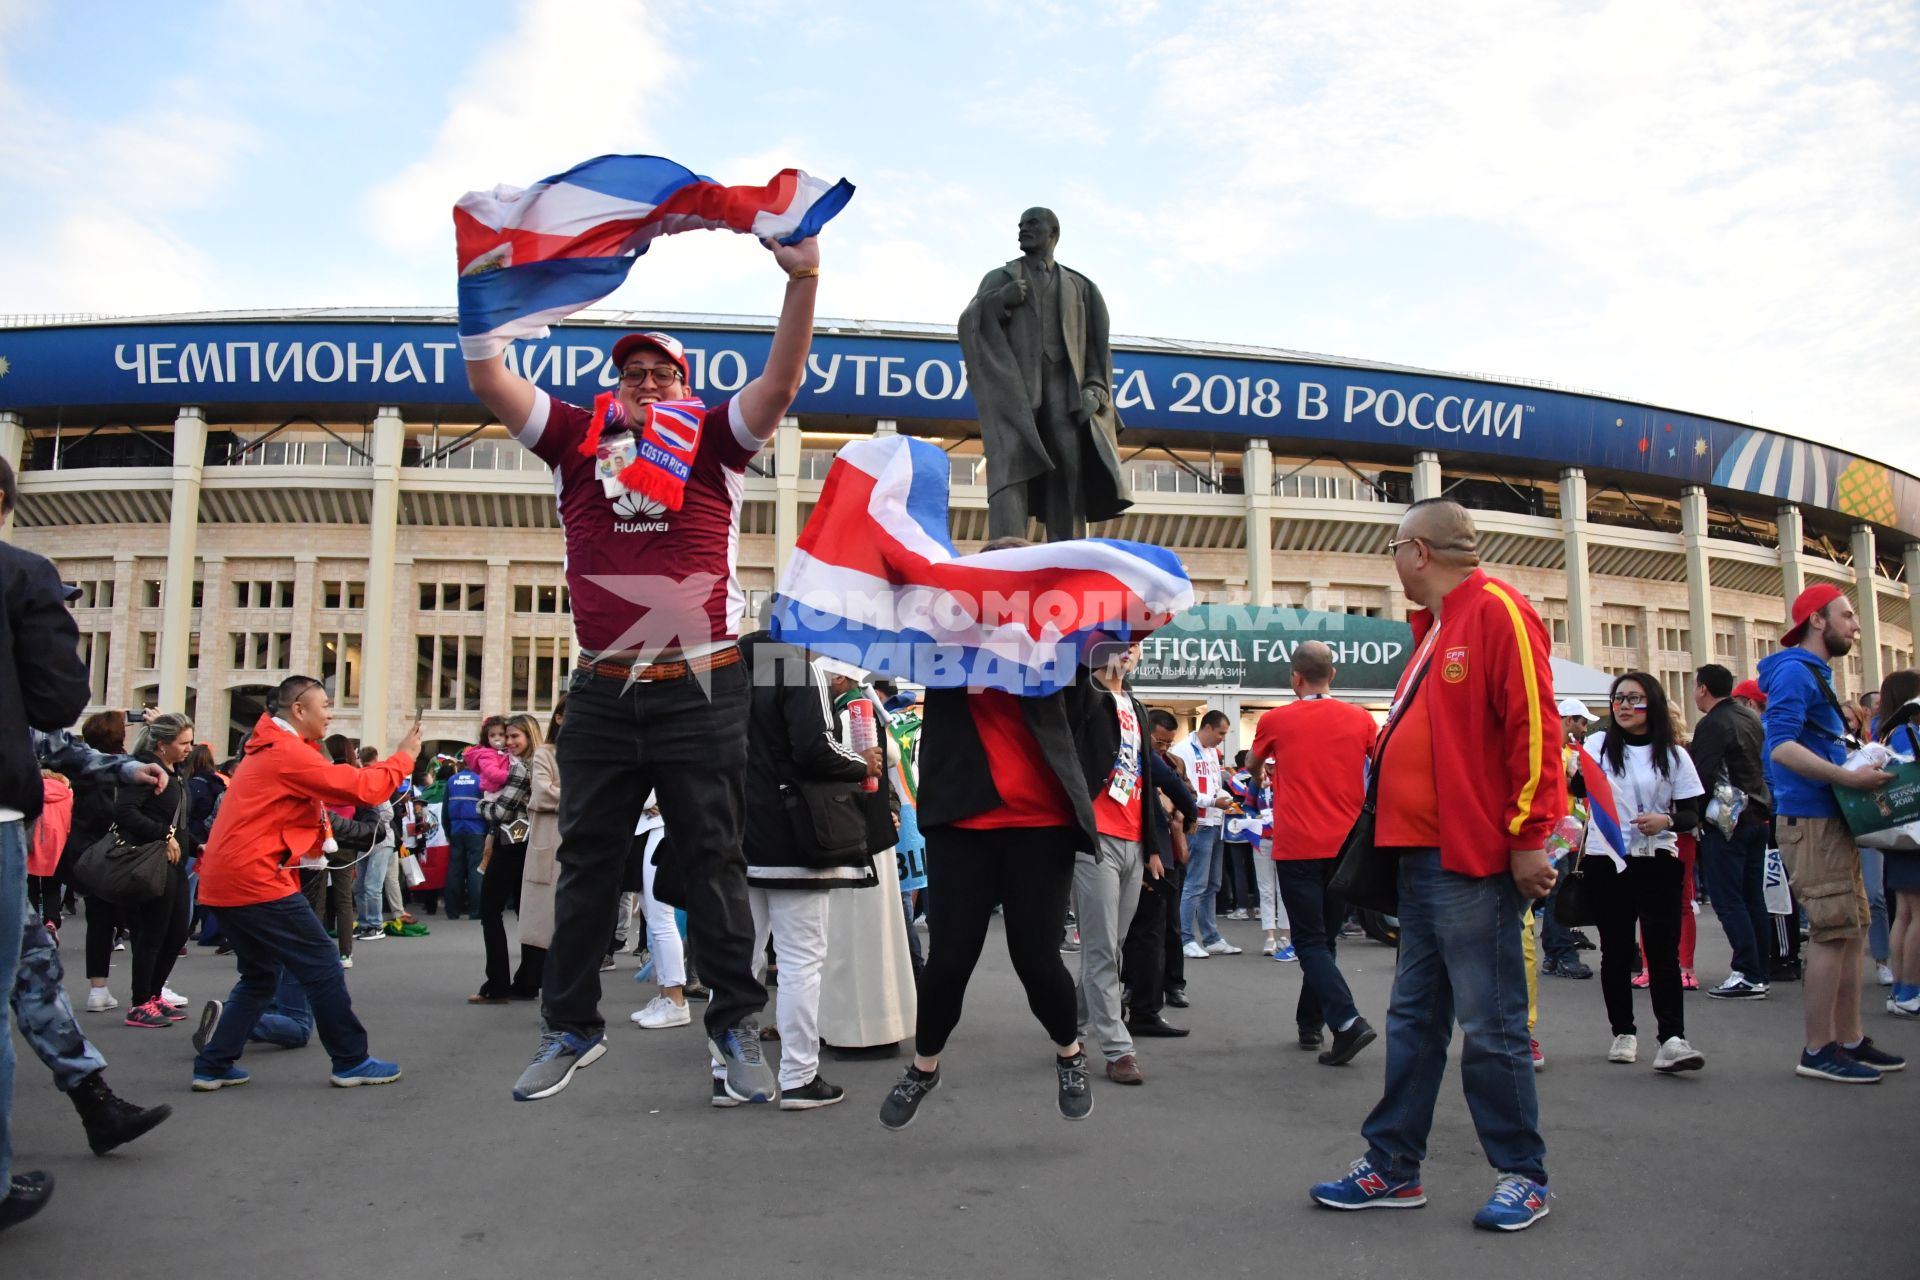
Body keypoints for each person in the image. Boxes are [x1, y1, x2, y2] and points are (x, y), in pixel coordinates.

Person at [467, 231, 824, 1106]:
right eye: (633, 374)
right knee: (588, 861)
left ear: (684, 386)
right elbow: (488, 379)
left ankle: (734, 1027)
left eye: (662, 374)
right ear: (612, 386)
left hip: (701, 683)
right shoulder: (574, 440)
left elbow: (778, 383)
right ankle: (570, 1029)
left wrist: (803, 279)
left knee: (713, 857)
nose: (647, 384)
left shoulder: (710, 437)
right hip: (600, 687)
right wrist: (478, 300)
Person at [1310, 498, 1562, 1232]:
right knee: (1415, 1018)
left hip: (1470, 859)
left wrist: (1528, 834)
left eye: (1394, 550)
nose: (1393, 565)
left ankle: (1523, 1174)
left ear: (1417, 551)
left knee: (1492, 1022)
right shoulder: (1437, 628)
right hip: (1422, 857)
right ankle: (1393, 1165)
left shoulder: (1495, 611)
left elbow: (1535, 726)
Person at [877, 535, 1102, 1130]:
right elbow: (894, 597)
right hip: (963, 823)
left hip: (1040, 828)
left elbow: (1093, 738)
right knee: (950, 957)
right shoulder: (941, 645)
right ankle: (924, 1068)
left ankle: (1069, 1054)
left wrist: (1073, 796)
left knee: (1035, 958)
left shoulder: (1062, 648)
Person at [189, 674, 418, 1092]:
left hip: (226, 879)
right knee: (322, 965)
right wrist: (404, 757)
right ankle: (351, 1059)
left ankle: (214, 1064)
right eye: (325, 704)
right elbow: (364, 787)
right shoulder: (285, 752)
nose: (330, 712)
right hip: (254, 879)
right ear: (299, 710)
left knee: (260, 976)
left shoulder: (270, 747)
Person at [1758, 584, 1906, 1082]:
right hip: (1812, 818)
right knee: (1832, 931)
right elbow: (1779, 747)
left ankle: (1848, 1039)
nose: (1856, 625)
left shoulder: (1808, 672)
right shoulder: (1797, 673)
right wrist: (1848, 775)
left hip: (1827, 817)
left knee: (1852, 928)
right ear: (1816, 621)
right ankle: (1818, 1049)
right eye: (1846, 615)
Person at [730, 631, 882, 1109]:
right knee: (800, 960)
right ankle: (798, 1076)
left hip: (730, 829)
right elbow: (814, 749)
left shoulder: (725, 667)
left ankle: (728, 1073)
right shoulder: (797, 666)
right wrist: (861, 762)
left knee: (738, 959)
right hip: (795, 836)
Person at [1250, 640, 1378, 1064]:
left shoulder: (1276, 720)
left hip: (1298, 844)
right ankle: (1311, 1025)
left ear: (1295, 678)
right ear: (1333, 675)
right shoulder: (1361, 719)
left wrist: (1262, 773)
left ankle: (1346, 1020)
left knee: (1308, 941)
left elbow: (1252, 761)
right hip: (1346, 847)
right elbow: (1379, 765)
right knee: (1324, 939)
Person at [1573, 673, 1707, 1072]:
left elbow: (1691, 812)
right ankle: (1623, 1031)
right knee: (1616, 950)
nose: (1624, 706)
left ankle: (1672, 1038)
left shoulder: (1674, 755)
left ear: (1654, 703)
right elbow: (1581, 788)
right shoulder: (1598, 744)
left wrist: (1664, 820)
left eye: (1634, 698)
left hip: (1658, 857)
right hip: (1606, 857)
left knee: (1662, 952)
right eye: (1618, 699)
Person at [1071, 642, 1177, 1086]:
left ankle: (1068, 1019)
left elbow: (1146, 779)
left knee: (1111, 947)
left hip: (1134, 841)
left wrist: (1153, 846)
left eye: (1136, 644)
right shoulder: (1084, 696)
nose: (1131, 650)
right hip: (1093, 840)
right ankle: (1118, 1048)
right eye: (1122, 641)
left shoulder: (1137, 704)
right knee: (1101, 950)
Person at [817, 666, 918, 1051]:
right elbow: (889, 756)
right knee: (878, 935)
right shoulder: (864, 710)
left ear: (840, 679)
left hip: (853, 836)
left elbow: (864, 764)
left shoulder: (849, 712)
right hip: (873, 834)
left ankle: (855, 1031)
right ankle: (884, 1024)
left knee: (852, 937)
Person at [1689, 663, 1774, 999]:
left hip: (1727, 819)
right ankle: (1759, 970)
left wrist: (1692, 815)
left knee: (1728, 899)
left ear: (1703, 688)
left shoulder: (1713, 723)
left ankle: (1747, 972)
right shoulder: (1748, 717)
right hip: (1756, 814)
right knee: (1753, 897)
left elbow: (1703, 774)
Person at [112, 712, 199, 1029]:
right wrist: (163, 835)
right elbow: (124, 812)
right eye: (183, 743)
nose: (189, 748)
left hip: (174, 863)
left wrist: (199, 846)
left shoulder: (175, 772)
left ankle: (154, 994)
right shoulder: (148, 771)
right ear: (162, 745)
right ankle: (140, 1002)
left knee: (176, 933)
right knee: (153, 933)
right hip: (151, 863)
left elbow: (180, 821)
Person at [1120, 724, 1198, 1042]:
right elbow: (1172, 784)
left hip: (1108, 846)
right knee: (1149, 934)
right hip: (1143, 848)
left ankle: (1103, 1011)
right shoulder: (1132, 742)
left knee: (1111, 937)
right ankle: (1142, 1011)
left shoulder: (1089, 735)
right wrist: (1190, 812)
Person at [470, 714, 542, 1003]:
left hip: (511, 844)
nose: (508, 742)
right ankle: (527, 980)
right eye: (507, 737)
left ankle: (497, 983)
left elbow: (498, 812)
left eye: (515, 737)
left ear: (529, 737)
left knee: (490, 911)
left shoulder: (521, 768)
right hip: (529, 843)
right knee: (526, 914)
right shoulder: (539, 764)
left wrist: (481, 805)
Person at [1172, 710, 1238, 959]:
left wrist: (1223, 797)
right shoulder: (1183, 750)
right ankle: (1185, 937)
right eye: (1221, 732)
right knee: (1195, 884)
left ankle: (1211, 937)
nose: (1222, 738)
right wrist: (1212, 800)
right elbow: (1180, 790)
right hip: (1198, 823)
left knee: (1212, 884)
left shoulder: (1211, 751)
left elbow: (1212, 782)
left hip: (1215, 821)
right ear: (1208, 727)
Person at [1873, 670, 1920, 1017]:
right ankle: (1909, 991)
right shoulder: (1906, 732)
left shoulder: (1888, 730)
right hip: (1914, 831)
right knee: (1914, 914)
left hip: (1901, 832)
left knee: (1905, 912)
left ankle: (1903, 990)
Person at [515, 698, 567, 994]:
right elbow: (542, 794)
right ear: (558, 718)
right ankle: (536, 981)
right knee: (542, 920)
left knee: (573, 919)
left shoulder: (590, 753)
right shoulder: (546, 753)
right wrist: (583, 792)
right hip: (548, 842)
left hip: (578, 843)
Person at [350, 746, 397, 944]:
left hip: (380, 840)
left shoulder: (374, 784)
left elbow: (388, 813)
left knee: (371, 885)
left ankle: (375, 925)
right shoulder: (364, 780)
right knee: (359, 885)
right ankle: (364, 924)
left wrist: (370, 822)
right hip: (365, 839)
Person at [440, 756, 487, 921]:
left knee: (454, 870)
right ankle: (476, 911)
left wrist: (448, 830)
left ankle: (452, 911)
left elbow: (445, 809)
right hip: (477, 830)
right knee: (476, 869)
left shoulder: (452, 780)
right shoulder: (480, 780)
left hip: (456, 829)